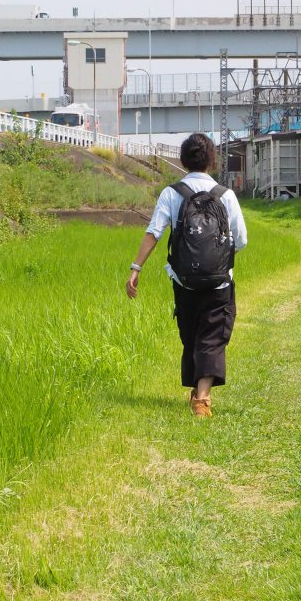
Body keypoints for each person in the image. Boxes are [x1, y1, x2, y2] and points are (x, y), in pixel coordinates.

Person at [125, 133, 247, 417]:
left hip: (184, 281)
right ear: (212, 160)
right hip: (219, 283)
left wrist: (136, 268)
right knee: (213, 336)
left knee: (191, 335)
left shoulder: (172, 193)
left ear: (183, 160)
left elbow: (154, 232)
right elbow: (240, 240)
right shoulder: (225, 195)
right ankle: (201, 399)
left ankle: (199, 395)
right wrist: (216, 260)